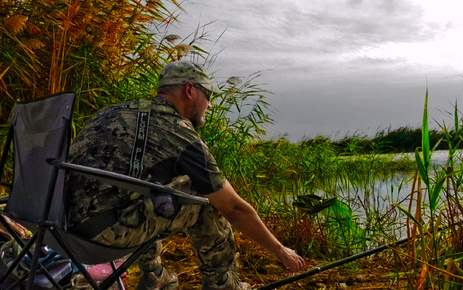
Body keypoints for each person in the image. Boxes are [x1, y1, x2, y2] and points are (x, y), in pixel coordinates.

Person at [64, 61, 305, 290]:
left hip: (61, 229)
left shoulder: (110, 113)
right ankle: (223, 285)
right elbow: (233, 208)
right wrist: (279, 250)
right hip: (103, 236)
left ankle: (154, 275)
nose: (210, 105)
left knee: (149, 188)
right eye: (208, 96)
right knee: (206, 196)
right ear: (190, 90)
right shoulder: (175, 129)